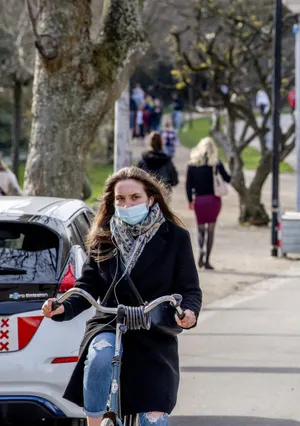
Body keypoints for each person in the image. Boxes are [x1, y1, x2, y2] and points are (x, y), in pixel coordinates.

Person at [41, 167, 202, 426]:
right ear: (112, 202)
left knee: (154, 419)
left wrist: (189, 313)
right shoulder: (102, 238)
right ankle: (93, 422)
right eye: (120, 199)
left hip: (154, 332)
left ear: (151, 199)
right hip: (110, 322)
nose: (127, 204)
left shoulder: (175, 238)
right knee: (100, 356)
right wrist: (62, 307)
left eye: (135, 197)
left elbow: (190, 290)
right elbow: (87, 286)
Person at [186, 137, 231, 270]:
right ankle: (207, 261)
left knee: (200, 229)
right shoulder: (216, 164)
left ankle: (201, 249)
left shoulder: (192, 165)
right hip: (213, 200)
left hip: (199, 200)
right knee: (211, 230)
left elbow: (188, 186)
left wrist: (190, 200)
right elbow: (228, 179)